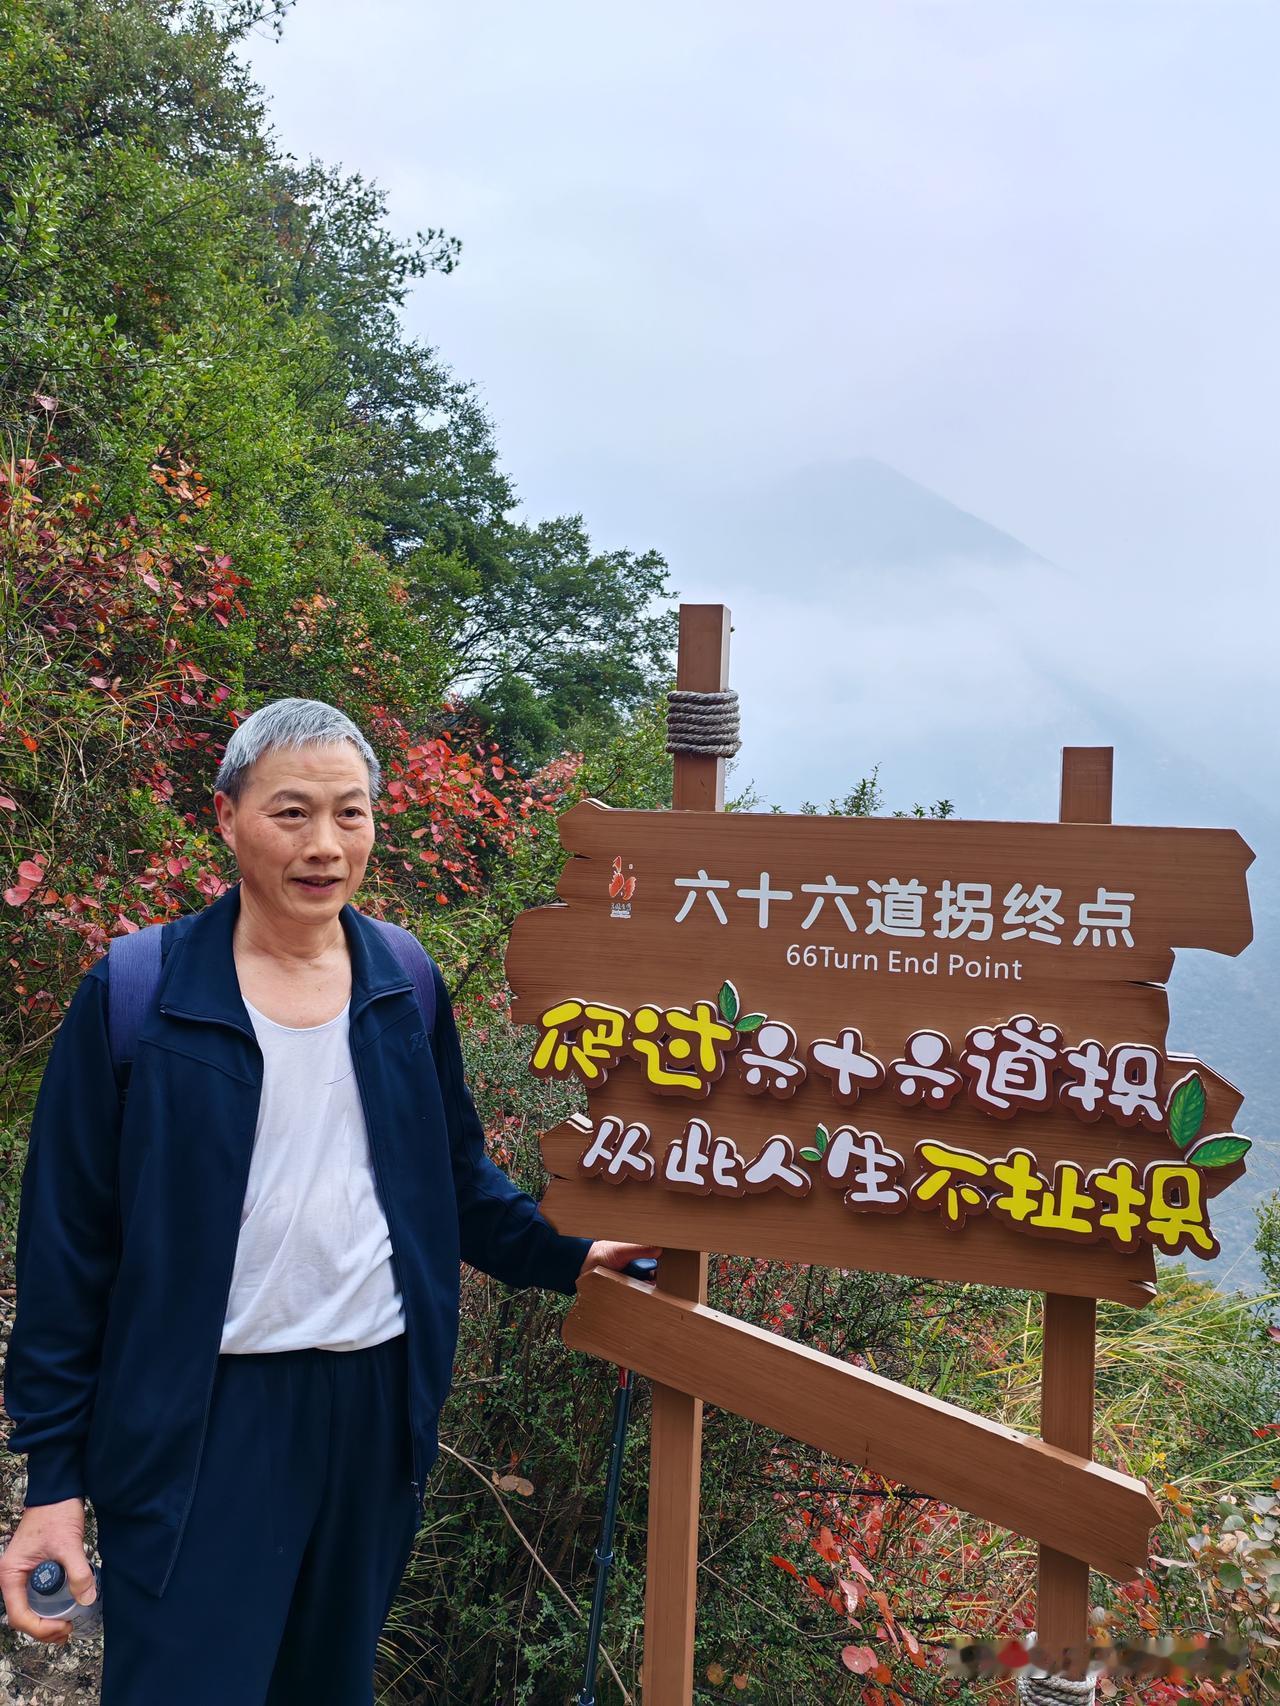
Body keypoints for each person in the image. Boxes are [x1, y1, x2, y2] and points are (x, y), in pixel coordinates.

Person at [0, 698, 656, 1704]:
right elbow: (67, 1244)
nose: (324, 844)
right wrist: (52, 1481)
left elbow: (448, 1175)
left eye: (349, 813)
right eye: (291, 812)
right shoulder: (139, 993)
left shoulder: (401, 979)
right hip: (198, 1417)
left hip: (370, 1405)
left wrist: (562, 1250)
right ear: (226, 817)